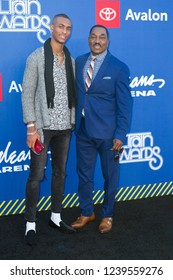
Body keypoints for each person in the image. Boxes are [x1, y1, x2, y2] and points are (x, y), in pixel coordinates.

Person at [21, 14, 77, 245]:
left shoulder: (70, 59)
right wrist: (31, 128)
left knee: (60, 173)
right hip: (42, 129)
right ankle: (30, 223)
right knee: (36, 176)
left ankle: (55, 216)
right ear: (52, 27)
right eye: (60, 27)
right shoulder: (36, 57)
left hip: (65, 127)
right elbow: (27, 93)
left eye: (68, 28)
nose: (64, 31)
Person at [71, 25, 132, 233]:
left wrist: (120, 135)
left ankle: (107, 214)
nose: (97, 40)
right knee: (84, 175)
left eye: (102, 37)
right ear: (88, 39)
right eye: (94, 36)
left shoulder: (119, 67)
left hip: (108, 135)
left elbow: (125, 105)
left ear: (108, 41)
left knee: (110, 177)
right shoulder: (79, 61)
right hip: (83, 130)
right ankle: (87, 211)